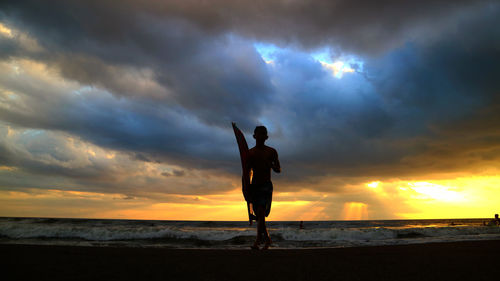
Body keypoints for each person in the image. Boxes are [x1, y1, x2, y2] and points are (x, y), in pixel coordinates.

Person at [247, 126, 280, 250]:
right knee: (259, 216)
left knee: (261, 212)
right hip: (254, 185)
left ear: (266, 137)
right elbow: (247, 172)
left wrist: (271, 165)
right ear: (254, 136)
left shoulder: (271, 151)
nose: (261, 136)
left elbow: (279, 169)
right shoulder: (250, 153)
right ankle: (267, 240)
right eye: (258, 134)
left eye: (263, 134)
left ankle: (257, 241)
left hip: (266, 185)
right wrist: (246, 188)